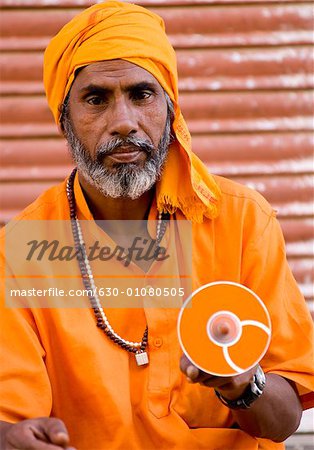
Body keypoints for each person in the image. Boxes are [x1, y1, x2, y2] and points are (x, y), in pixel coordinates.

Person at [0, 2, 313, 449]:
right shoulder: (21, 249)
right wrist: (12, 438)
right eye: (95, 99)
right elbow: (9, 417)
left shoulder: (240, 219)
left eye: (142, 94)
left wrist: (243, 383)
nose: (124, 122)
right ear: (64, 118)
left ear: (170, 107)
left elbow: (283, 420)